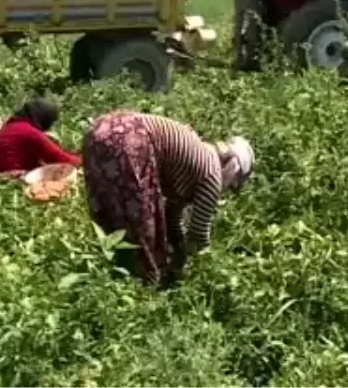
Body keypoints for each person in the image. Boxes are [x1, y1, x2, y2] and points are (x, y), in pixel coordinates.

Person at [80, 111, 254, 287]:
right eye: (232, 184)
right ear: (233, 169)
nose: (227, 190)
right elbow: (198, 237)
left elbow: (171, 217)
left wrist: (176, 246)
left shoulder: (196, 159)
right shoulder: (212, 174)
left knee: (107, 209)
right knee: (140, 225)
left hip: (98, 131)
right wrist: (198, 272)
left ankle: (111, 274)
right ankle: (141, 288)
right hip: (129, 138)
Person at [0, 99, 81, 176]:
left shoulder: (10, 125)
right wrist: (84, 160)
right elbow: (58, 158)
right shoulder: (30, 132)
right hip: (13, 176)